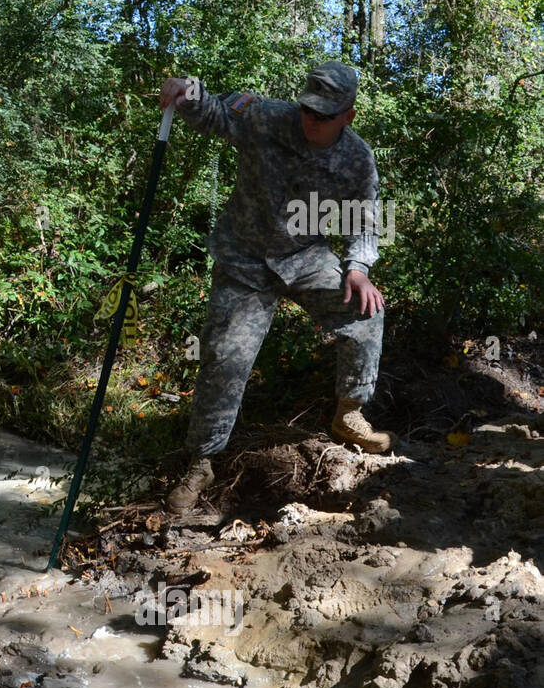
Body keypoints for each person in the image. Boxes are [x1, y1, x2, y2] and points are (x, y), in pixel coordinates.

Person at [159, 61, 393, 514]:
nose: (312, 121)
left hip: (305, 256)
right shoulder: (265, 116)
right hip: (244, 258)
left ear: (349, 114)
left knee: (366, 311)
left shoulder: (357, 158)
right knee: (225, 359)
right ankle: (202, 461)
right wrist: (187, 90)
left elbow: (365, 220)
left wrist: (358, 268)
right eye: (309, 109)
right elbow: (212, 113)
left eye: (325, 115)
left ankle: (348, 412)